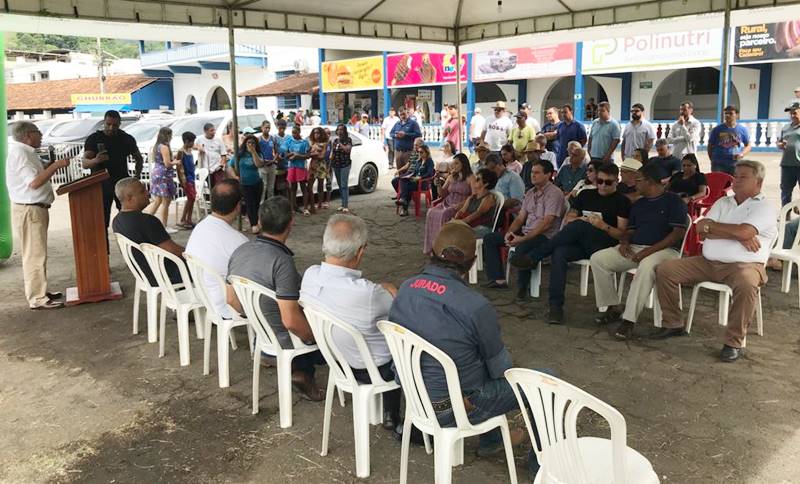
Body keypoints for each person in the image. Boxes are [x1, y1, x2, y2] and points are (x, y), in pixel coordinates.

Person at [389, 221, 527, 460]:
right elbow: (501, 370)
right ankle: (541, 465)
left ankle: (492, 440)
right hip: (455, 407)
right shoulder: (475, 306)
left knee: (472, 361)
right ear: (472, 263)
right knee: (545, 380)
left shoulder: (406, 288)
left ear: (432, 254)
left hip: (414, 397)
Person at [654, 160, 777, 362]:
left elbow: (744, 231)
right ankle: (673, 323)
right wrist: (736, 233)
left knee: (747, 284)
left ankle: (733, 342)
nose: (736, 180)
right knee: (665, 270)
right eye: (735, 176)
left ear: (759, 182)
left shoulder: (764, 207)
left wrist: (721, 230)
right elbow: (700, 227)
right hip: (708, 262)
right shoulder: (723, 202)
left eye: (743, 177)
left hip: (744, 266)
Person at [300, 214, 401, 428]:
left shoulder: (310, 275)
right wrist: (390, 289)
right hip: (374, 369)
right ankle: (398, 417)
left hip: (337, 360)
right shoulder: (368, 294)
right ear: (360, 251)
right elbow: (401, 311)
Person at [226, 196, 325, 401]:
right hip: (284, 336)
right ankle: (303, 371)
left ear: (259, 223)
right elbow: (290, 320)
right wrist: (315, 337)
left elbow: (231, 299)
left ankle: (272, 355)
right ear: (291, 223)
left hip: (262, 333)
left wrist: (257, 316)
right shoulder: (281, 262)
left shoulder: (240, 251)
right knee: (330, 330)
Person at [511, 163, 631, 323]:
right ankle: (555, 307)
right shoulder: (586, 195)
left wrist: (603, 226)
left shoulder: (622, 201)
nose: (602, 185)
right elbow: (568, 218)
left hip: (605, 244)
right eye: (599, 181)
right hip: (580, 243)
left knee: (580, 225)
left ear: (617, 181)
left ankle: (534, 256)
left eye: (608, 182)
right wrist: (583, 219)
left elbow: (621, 234)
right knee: (559, 252)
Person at [590, 163, 688, 340]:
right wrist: (625, 240)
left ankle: (629, 320)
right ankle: (613, 307)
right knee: (598, 259)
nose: (635, 184)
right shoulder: (639, 204)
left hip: (665, 251)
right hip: (637, 249)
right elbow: (632, 230)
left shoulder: (674, 201)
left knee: (646, 266)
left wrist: (649, 251)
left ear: (650, 182)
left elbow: (677, 234)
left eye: (638, 180)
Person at [6, 121, 70, 310]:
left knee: (38, 253)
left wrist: (51, 165)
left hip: (35, 209)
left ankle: (41, 290)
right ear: (27, 135)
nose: (41, 135)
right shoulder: (20, 153)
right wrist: (55, 166)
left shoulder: (26, 152)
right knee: (34, 255)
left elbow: (37, 174)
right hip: (30, 210)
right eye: (38, 132)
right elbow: (34, 183)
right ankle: (37, 298)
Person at [482, 159, 565, 293]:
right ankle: (498, 279)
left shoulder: (555, 193)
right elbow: (521, 218)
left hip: (545, 236)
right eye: (532, 172)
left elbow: (547, 223)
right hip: (527, 232)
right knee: (490, 238)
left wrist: (523, 239)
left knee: (522, 247)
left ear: (548, 174)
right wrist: (510, 232)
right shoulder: (531, 192)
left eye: (537, 173)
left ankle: (523, 287)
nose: (533, 175)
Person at [185, 179, 248, 319]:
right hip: (227, 307)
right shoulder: (238, 242)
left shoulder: (201, 226)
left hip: (206, 297)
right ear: (238, 206)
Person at [112, 178, 185, 286]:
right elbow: (173, 250)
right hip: (165, 275)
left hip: (144, 274)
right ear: (129, 198)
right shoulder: (148, 221)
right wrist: (194, 253)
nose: (148, 193)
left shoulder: (117, 221)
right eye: (142, 192)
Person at [83, 110, 144, 238]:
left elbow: (138, 157)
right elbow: (85, 163)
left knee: (129, 216)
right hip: (100, 184)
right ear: (104, 122)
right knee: (101, 219)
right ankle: (103, 251)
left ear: (119, 124)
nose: (111, 128)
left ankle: (130, 243)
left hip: (122, 183)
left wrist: (137, 177)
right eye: (108, 124)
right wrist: (96, 160)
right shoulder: (94, 138)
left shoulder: (126, 138)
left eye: (115, 125)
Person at [424, 153, 474, 254]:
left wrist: (461, 205)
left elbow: (473, 196)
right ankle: (433, 246)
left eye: (456, 163)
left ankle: (443, 248)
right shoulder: (451, 177)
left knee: (444, 214)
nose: (453, 166)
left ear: (463, 164)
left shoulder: (470, 177)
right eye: (453, 163)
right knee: (431, 212)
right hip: (447, 202)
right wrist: (438, 185)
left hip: (462, 205)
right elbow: (443, 193)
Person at [227, 134, 264, 232]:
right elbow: (230, 165)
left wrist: (253, 152)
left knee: (256, 204)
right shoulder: (240, 154)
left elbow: (259, 164)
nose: (251, 144)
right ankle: (254, 225)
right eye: (249, 142)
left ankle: (256, 222)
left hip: (257, 182)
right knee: (249, 203)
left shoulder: (258, 153)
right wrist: (235, 176)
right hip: (245, 183)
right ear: (245, 143)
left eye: (253, 143)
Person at [144, 127, 177, 230]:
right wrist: (176, 162)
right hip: (164, 175)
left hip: (157, 173)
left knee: (157, 201)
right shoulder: (164, 147)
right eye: (170, 135)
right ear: (167, 135)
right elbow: (167, 164)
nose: (171, 137)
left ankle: (146, 221)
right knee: (166, 202)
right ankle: (164, 226)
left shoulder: (157, 146)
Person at [454, 168, 499, 239]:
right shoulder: (472, 197)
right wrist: (455, 219)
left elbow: (477, 214)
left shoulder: (488, 198)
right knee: (450, 230)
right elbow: (462, 211)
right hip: (471, 224)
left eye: (478, 179)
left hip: (484, 227)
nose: (475, 180)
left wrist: (459, 223)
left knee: (458, 234)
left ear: (486, 184)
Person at [707, 105, 751, 175]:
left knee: (734, 184)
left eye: (730, 113)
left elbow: (748, 145)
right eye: (726, 113)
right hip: (718, 164)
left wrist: (742, 154)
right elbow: (710, 146)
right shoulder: (717, 129)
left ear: (736, 115)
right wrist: (712, 160)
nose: (727, 115)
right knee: (719, 184)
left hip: (734, 164)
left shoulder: (742, 130)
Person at [395, 143, 435, 217]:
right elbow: (415, 172)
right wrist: (410, 176)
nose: (419, 153)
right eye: (418, 152)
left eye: (421, 152)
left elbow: (430, 173)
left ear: (427, 152)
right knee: (403, 180)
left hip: (423, 183)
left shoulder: (429, 161)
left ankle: (404, 204)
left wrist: (420, 177)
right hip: (414, 181)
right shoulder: (418, 161)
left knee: (407, 187)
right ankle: (404, 202)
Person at [281, 125, 312, 216]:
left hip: (301, 167)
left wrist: (297, 155)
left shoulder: (304, 142)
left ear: (299, 132)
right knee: (292, 188)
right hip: (292, 167)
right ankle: (292, 208)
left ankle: (305, 208)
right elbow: (285, 154)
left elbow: (307, 155)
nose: (294, 135)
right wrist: (291, 154)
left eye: (295, 133)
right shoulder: (289, 141)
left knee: (303, 187)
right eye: (292, 133)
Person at [778, 102, 800, 207]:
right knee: (785, 191)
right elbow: (779, 142)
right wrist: (780, 145)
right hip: (787, 164)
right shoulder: (786, 128)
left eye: (795, 113)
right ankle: (785, 213)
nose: (792, 116)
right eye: (791, 113)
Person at [196, 122, 228, 189]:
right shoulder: (200, 140)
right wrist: (198, 147)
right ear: (205, 131)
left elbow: (223, 154)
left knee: (219, 187)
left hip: (217, 168)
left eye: (214, 130)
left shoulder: (218, 140)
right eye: (211, 130)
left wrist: (221, 165)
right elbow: (193, 145)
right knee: (210, 187)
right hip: (206, 169)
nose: (213, 132)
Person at [330, 124, 354, 213]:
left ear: (344, 131)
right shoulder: (335, 140)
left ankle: (345, 205)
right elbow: (333, 152)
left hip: (345, 165)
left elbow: (347, 150)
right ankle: (342, 204)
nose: (339, 131)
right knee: (340, 185)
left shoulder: (348, 140)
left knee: (344, 185)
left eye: (341, 130)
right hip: (336, 164)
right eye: (338, 129)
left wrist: (340, 144)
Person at [177, 131, 197, 229]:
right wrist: (183, 181)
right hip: (187, 178)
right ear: (186, 141)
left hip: (191, 177)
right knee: (191, 198)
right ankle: (183, 219)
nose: (193, 143)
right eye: (192, 141)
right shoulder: (181, 152)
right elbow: (179, 168)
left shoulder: (189, 150)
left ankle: (188, 219)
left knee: (192, 199)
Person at [308, 127, 330, 213]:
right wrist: (313, 154)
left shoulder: (324, 144)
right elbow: (310, 153)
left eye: (318, 133)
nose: (316, 135)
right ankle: (312, 204)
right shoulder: (313, 143)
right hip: (313, 165)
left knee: (320, 185)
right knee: (309, 185)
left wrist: (311, 154)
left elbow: (322, 156)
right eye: (314, 133)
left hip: (321, 165)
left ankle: (320, 203)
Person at [257, 120, 278, 202]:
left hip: (272, 165)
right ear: (262, 128)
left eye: (269, 128)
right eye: (266, 127)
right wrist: (262, 161)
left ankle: (271, 204)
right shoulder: (259, 139)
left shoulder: (272, 138)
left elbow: (276, 151)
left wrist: (274, 160)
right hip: (263, 166)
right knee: (263, 186)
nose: (267, 129)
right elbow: (257, 153)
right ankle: (261, 204)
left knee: (271, 187)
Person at [273, 119, 290, 199]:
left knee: (288, 186)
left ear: (286, 127)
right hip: (279, 165)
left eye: (283, 126)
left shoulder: (289, 137)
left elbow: (290, 149)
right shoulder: (274, 138)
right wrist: (277, 156)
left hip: (288, 165)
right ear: (277, 127)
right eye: (280, 126)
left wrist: (287, 155)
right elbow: (274, 149)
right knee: (280, 186)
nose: (282, 128)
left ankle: (289, 203)